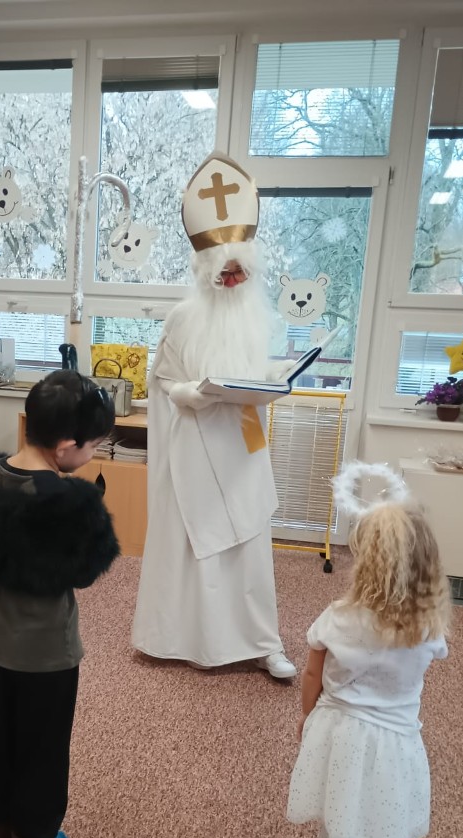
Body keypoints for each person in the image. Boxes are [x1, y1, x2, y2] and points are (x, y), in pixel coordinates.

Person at [131, 152, 296, 679]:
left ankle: (262, 641)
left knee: (249, 547)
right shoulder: (182, 318)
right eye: (224, 272)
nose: (233, 279)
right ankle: (179, 638)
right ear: (206, 271)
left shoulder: (255, 317)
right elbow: (162, 382)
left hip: (243, 447)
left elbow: (254, 374)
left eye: (240, 271)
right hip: (196, 447)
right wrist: (190, 393)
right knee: (193, 546)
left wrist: (277, 375)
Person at [0, 370, 119, 838]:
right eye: (94, 446)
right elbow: (86, 572)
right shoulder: (70, 504)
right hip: (48, 657)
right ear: (67, 446)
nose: (93, 454)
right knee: (43, 754)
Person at [287, 464, 451, 838]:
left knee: (337, 822)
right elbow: (426, 663)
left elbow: (313, 673)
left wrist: (306, 717)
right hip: (395, 741)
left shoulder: (339, 618)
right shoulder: (428, 629)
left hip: (338, 732)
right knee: (381, 825)